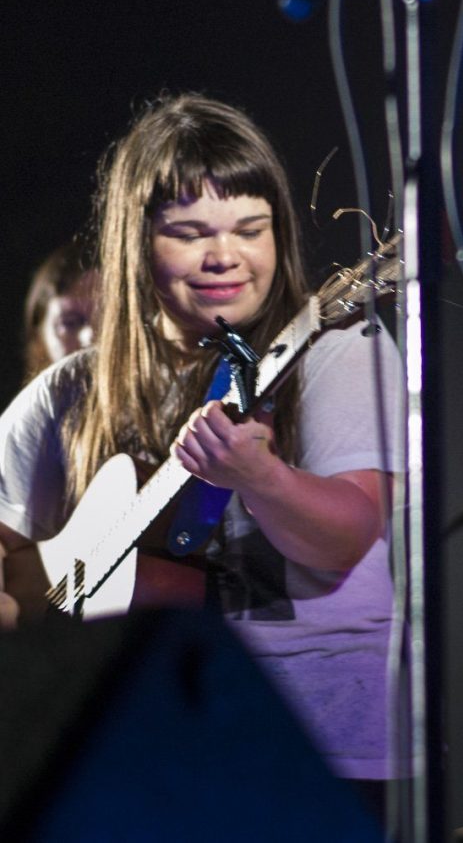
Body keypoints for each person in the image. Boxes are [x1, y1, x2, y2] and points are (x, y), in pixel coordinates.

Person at [0, 94, 406, 813]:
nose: (225, 256)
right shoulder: (66, 394)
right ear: (135, 242)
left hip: (314, 747)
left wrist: (262, 478)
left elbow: (344, 540)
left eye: (251, 229)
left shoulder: (339, 357)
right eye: (189, 233)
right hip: (123, 745)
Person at [21, 238, 99, 383]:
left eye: (105, 321)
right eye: (69, 323)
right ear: (39, 336)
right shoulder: (28, 405)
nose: (89, 337)